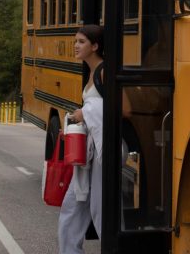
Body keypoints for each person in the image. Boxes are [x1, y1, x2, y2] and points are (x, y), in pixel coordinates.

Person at [58, 25, 131, 253]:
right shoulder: (92, 72)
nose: (75, 46)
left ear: (95, 46)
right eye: (75, 41)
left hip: (104, 151)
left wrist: (86, 112)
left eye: (81, 41)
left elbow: (126, 109)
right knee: (72, 208)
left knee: (102, 210)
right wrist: (79, 118)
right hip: (89, 152)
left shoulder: (103, 71)